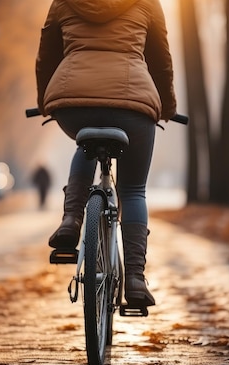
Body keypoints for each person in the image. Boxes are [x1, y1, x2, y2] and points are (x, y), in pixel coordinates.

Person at [35, 0, 177, 308]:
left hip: (73, 103)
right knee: (134, 190)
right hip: (134, 106)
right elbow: (160, 59)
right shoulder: (147, 3)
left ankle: (71, 220)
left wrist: (44, 98)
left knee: (84, 142)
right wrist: (167, 106)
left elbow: (46, 56)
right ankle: (136, 278)